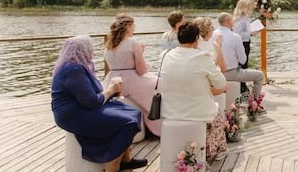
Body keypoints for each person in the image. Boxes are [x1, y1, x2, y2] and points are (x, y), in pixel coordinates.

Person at [51, 35, 147, 172]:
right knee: (127, 123)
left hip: (81, 107)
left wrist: (110, 93)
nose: (92, 51)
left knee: (134, 112)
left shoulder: (77, 66)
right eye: (89, 48)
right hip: (73, 114)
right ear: (83, 50)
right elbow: (90, 101)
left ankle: (125, 159)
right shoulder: (73, 70)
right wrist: (110, 91)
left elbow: (91, 96)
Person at [160, 22, 229, 162]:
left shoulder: (166, 55)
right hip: (197, 111)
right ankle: (217, 150)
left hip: (170, 110)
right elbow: (221, 83)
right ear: (197, 38)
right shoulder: (203, 57)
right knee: (215, 112)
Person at [104, 14, 161, 137]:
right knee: (159, 83)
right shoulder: (133, 44)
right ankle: (157, 124)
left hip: (111, 80)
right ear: (127, 27)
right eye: (133, 25)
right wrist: (141, 53)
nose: (134, 27)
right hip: (130, 80)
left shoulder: (109, 45)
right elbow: (141, 71)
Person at [213, 12, 265, 106]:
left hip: (215, 73)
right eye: (232, 20)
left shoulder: (212, 35)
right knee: (260, 76)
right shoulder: (235, 36)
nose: (234, 22)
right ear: (228, 21)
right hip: (231, 73)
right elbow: (243, 60)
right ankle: (254, 105)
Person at [233, 0, 260, 93]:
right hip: (243, 44)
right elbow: (237, 34)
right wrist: (251, 33)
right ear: (243, 8)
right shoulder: (240, 20)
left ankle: (242, 85)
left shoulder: (244, 19)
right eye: (248, 8)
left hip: (246, 43)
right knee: (242, 65)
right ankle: (241, 87)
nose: (250, 9)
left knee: (244, 64)